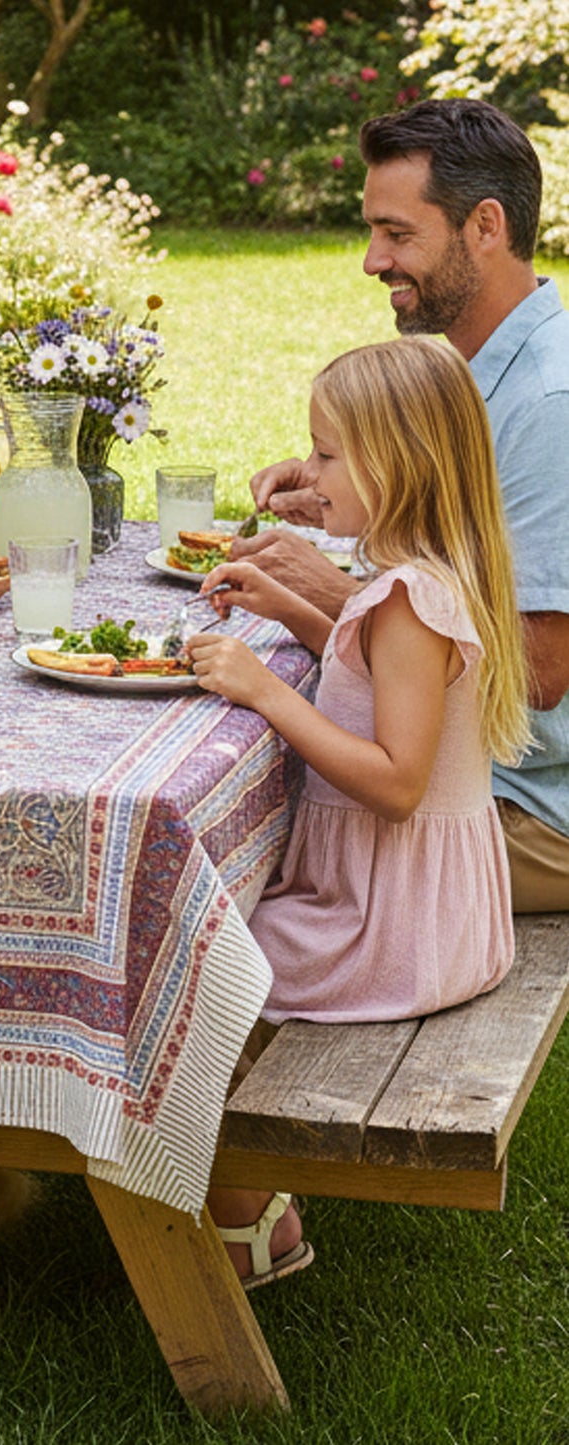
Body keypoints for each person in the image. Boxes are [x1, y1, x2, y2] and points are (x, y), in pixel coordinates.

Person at [188, 337, 531, 1285]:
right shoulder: (414, 581)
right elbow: (372, 673)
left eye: (329, 453)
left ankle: (246, 1217)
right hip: (428, 913)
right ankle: (240, 1194)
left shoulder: (411, 596)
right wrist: (296, 611)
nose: (311, 470)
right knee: (200, 932)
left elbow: (394, 780)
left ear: (400, 461)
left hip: (391, 931)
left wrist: (266, 690)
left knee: (184, 960)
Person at [239, 98, 569, 912]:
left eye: (396, 232)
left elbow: (540, 672)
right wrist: (353, 493)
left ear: (483, 227)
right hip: (468, 769)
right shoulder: (478, 372)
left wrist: (338, 597)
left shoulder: (549, 404)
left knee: (233, 872)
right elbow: (462, 545)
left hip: (528, 811)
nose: (370, 259)